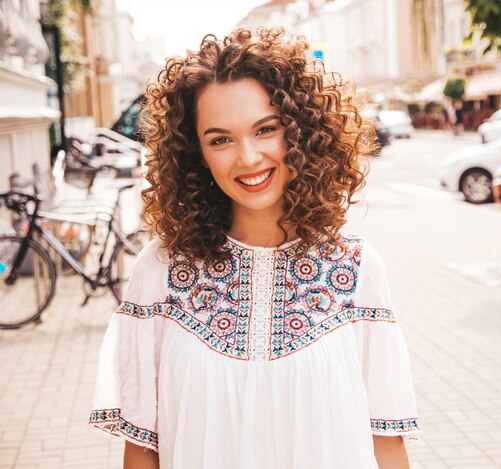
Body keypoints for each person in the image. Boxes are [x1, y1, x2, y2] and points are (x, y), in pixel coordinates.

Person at [89, 27, 421, 469]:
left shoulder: (357, 268)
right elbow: (141, 450)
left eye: (266, 130)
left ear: (301, 132)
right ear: (195, 155)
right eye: (220, 139)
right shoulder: (161, 272)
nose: (248, 158)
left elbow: (386, 442)